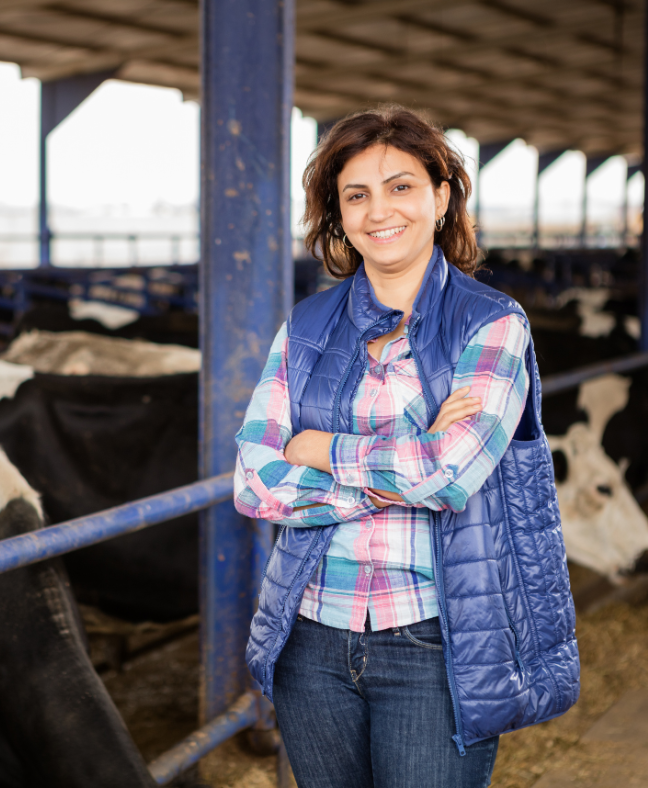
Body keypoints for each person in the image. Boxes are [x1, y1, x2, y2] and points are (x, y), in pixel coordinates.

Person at [234, 105, 579, 788]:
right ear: (337, 214)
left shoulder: (493, 324)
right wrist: (409, 454)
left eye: (401, 186)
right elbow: (253, 481)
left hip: (438, 641)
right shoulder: (305, 326)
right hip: (312, 636)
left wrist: (319, 446)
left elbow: (449, 475)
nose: (378, 210)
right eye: (356, 194)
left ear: (441, 196)